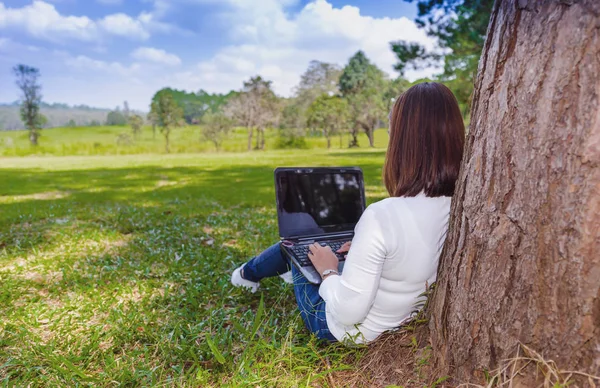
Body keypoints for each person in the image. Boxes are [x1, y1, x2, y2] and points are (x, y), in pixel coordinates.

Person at [230, 82, 465, 344]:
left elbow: (347, 313)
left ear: (401, 144)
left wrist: (328, 272)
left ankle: (246, 275)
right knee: (310, 249)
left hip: (348, 331)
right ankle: (264, 272)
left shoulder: (382, 215)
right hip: (403, 319)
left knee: (295, 246)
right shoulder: (462, 205)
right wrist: (365, 250)